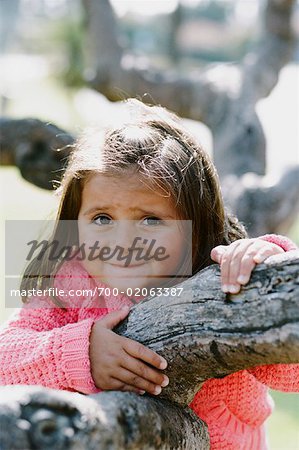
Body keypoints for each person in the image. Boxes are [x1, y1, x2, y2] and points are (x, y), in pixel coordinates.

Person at [0, 99, 298, 449]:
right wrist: (77, 352)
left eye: (151, 219)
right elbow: (7, 359)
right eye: (102, 219)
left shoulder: (222, 277)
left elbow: (291, 374)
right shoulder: (72, 282)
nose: (123, 241)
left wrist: (268, 274)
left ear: (197, 228)